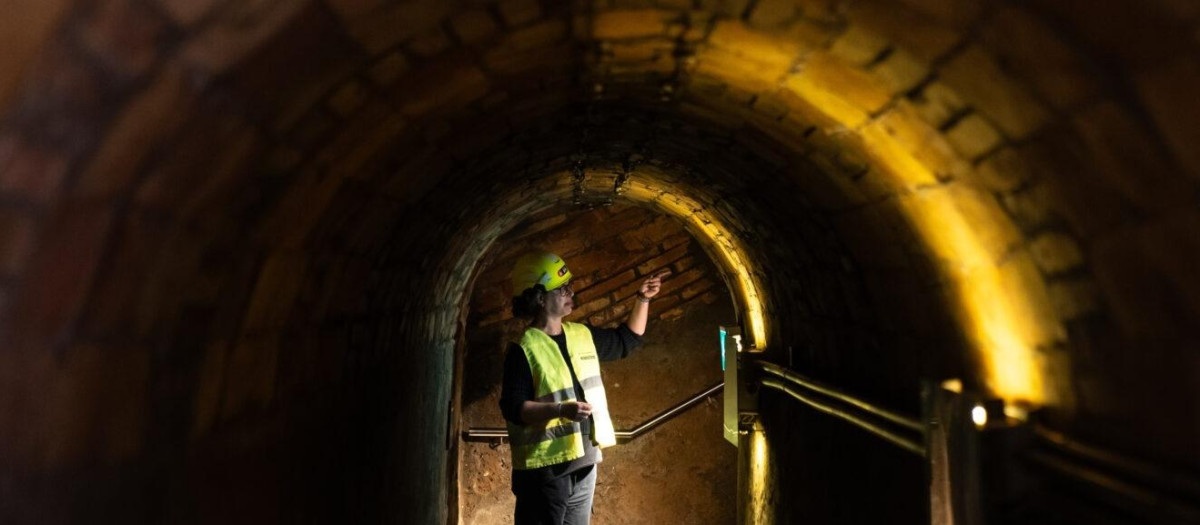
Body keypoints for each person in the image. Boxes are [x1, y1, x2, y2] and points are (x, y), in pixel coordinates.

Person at [499, 251, 667, 525]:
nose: (571, 292)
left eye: (570, 285)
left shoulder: (580, 334)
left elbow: (627, 341)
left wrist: (643, 298)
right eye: (562, 289)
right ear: (540, 298)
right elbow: (514, 408)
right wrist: (560, 409)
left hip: (584, 463)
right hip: (545, 472)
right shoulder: (523, 348)